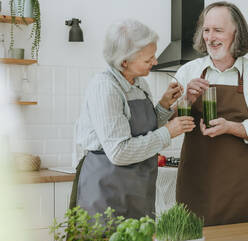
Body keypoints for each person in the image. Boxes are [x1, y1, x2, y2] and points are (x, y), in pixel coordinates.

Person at [72, 19, 195, 220]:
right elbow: (119, 152)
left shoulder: (139, 83)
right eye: (148, 59)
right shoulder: (105, 87)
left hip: (138, 188)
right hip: (107, 189)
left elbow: (143, 128)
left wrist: (164, 105)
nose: (155, 62)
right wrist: (168, 132)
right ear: (124, 61)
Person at [175, 2, 248, 226]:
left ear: (237, 33)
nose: (210, 37)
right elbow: (165, 125)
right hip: (197, 189)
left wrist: (231, 127)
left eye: (218, 30)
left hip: (243, 191)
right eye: (206, 30)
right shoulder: (187, 72)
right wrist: (187, 101)